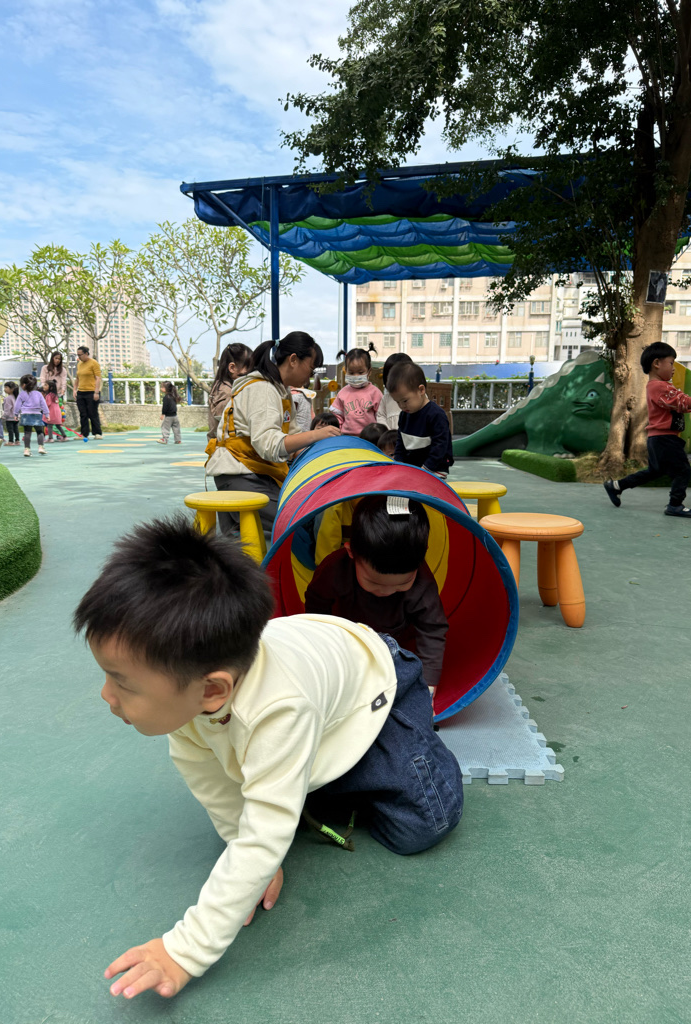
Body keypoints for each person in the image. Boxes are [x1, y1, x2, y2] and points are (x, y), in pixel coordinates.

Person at [74, 515, 462, 1002]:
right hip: (314, 674)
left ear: (212, 690)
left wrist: (185, 950)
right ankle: (308, 779)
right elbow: (214, 785)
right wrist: (246, 843)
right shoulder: (197, 698)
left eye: (122, 684)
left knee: (422, 825)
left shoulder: (278, 707)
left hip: (374, 686)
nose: (106, 696)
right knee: (271, 801)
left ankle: (387, 758)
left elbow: (264, 834)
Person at [304, 495, 448, 692]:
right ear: (351, 552)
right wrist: (321, 643)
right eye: (373, 583)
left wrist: (428, 685)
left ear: (422, 557)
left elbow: (432, 629)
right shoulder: (335, 570)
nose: (385, 591)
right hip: (349, 639)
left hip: (398, 646)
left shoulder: (423, 582)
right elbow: (316, 605)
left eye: (402, 584)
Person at [204, 332, 341, 537]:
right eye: (311, 368)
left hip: (259, 472)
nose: (311, 376)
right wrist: (316, 435)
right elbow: (270, 446)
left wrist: (325, 459)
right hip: (240, 474)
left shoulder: (281, 392)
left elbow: (293, 441)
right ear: (293, 360)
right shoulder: (263, 389)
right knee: (303, 522)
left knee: (309, 507)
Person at [604, 341, 691, 518]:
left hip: (659, 438)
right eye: (671, 363)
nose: (673, 368)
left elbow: (681, 403)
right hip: (665, 439)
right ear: (656, 363)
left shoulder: (661, 387)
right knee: (683, 470)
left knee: (654, 471)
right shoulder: (658, 386)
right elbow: (681, 402)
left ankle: (617, 486)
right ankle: (675, 504)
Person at [387, 361, 453, 478]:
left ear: (421, 390)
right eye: (397, 402)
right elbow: (400, 443)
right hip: (414, 467)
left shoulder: (436, 415)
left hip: (435, 468)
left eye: (405, 401)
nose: (402, 406)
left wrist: (426, 469)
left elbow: (440, 446)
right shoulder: (404, 415)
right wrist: (398, 463)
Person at [331, 346, 382, 434]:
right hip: (347, 436)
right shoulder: (343, 393)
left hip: (369, 437)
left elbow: (381, 417)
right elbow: (337, 416)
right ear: (346, 371)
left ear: (369, 371)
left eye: (360, 372)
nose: (355, 376)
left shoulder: (375, 393)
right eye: (351, 372)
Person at [207, 343, 253, 441]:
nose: (252, 372)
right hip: (228, 447)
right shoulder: (228, 394)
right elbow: (224, 428)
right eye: (249, 368)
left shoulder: (221, 387)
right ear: (232, 368)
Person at [73, 345, 103, 439]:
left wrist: (96, 392)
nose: (79, 357)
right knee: (83, 414)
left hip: (92, 392)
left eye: (80, 355)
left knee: (92, 413)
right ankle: (84, 433)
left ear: (86, 353)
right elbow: (77, 378)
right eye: (78, 355)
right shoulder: (79, 364)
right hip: (81, 392)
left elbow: (98, 378)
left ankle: (97, 433)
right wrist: (74, 389)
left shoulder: (94, 363)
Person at [15, 375, 49, 456]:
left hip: (25, 414)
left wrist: (16, 414)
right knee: (40, 432)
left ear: (23, 385)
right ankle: (41, 447)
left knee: (27, 432)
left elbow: (17, 405)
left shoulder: (22, 394)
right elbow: (44, 404)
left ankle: (27, 450)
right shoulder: (39, 394)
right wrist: (47, 414)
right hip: (37, 414)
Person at [377, 352, 413, 429]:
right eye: (391, 377)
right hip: (389, 434)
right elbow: (380, 416)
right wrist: (387, 431)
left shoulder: (416, 395)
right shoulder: (386, 398)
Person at [3, 381, 20, 446]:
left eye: (6, 387)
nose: (4, 389)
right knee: (16, 429)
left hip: (10, 417)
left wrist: (4, 416)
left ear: (12, 389)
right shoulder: (16, 397)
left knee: (10, 430)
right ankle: (17, 440)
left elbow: (7, 409)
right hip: (16, 417)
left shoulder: (8, 398)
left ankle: (11, 441)